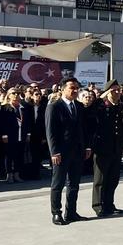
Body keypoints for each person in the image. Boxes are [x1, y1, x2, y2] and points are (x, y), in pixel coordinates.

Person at [45, 77, 91, 225]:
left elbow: (84, 129)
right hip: (61, 152)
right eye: (72, 87)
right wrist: (54, 151)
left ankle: (71, 212)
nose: (75, 90)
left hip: (77, 151)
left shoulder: (78, 106)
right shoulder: (54, 106)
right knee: (58, 184)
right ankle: (56, 213)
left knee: (74, 184)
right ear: (62, 88)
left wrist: (87, 147)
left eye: (77, 87)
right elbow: (50, 131)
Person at [91, 80, 123, 217]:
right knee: (100, 179)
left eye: (119, 90)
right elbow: (91, 110)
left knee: (113, 178)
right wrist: (101, 96)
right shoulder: (101, 106)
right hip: (102, 148)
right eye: (114, 90)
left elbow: (122, 127)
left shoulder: (120, 105)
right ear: (108, 92)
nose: (118, 92)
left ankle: (109, 204)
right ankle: (98, 205)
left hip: (116, 148)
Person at [0, 88, 32, 183]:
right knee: (9, 155)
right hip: (10, 136)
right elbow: (2, 123)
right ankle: (9, 175)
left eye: (18, 93)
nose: (16, 95)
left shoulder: (23, 107)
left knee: (19, 155)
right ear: (9, 95)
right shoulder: (4, 107)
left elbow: (28, 122)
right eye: (13, 93)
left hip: (21, 135)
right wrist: (4, 135)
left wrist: (28, 134)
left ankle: (17, 174)